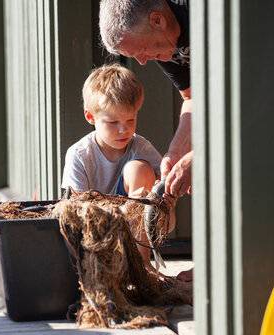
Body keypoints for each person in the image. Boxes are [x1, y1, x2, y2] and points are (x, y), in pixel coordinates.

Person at [99, 0, 193, 281]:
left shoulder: (206, 16)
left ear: (157, 20)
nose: (142, 61)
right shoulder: (161, 45)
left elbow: (251, 96)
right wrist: (176, 152)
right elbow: (194, 96)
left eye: (141, 50)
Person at [61, 63, 175, 277]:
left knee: (139, 169)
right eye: (113, 122)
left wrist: (164, 198)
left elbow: (163, 188)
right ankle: (111, 266)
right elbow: (75, 210)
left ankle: (142, 264)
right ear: (91, 117)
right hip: (98, 232)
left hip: (138, 230)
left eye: (130, 120)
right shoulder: (79, 154)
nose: (124, 129)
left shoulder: (140, 147)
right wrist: (119, 212)